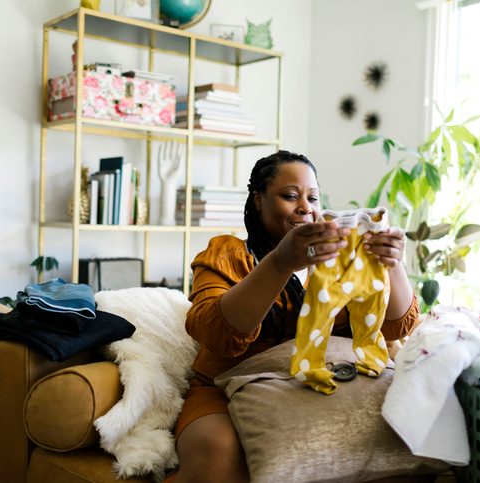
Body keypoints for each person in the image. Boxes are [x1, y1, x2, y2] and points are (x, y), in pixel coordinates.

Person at [167, 150, 420, 483]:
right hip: (224, 388)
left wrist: (392, 263)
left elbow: (397, 325)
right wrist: (281, 262)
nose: (305, 207)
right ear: (258, 201)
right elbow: (217, 334)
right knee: (219, 450)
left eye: (313, 197)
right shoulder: (228, 254)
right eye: (290, 196)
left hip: (321, 383)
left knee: (402, 435)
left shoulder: (344, 258)